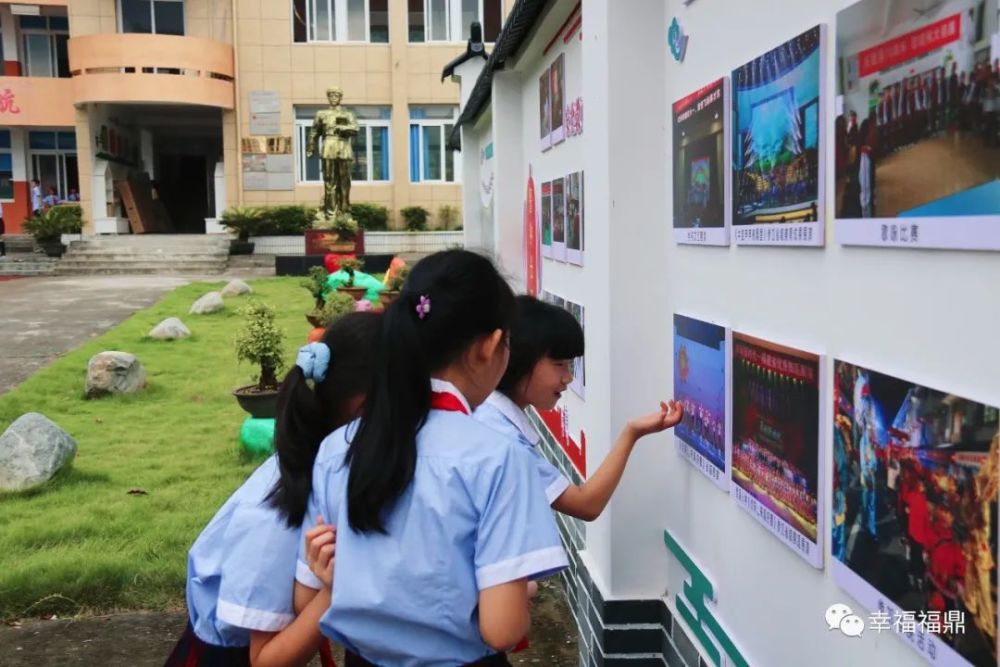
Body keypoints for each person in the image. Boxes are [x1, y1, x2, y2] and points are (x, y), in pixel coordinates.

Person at [297, 250, 567, 666]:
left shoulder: (338, 447)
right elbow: (503, 628)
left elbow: (306, 594)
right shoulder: (498, 456)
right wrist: (516, 591)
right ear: (491, 346)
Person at [167, 311, 383, 667]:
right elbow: (265, 658)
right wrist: (333, 590)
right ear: (365, 407)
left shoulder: (325, 468)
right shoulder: (275, 511)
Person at [474, 296, 682, 521]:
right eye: (559, 364)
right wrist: (632, 433)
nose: (568, 378)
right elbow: (586, 504)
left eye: (570, 365)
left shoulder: (488, 418)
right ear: (520, 359)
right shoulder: (504, 442)